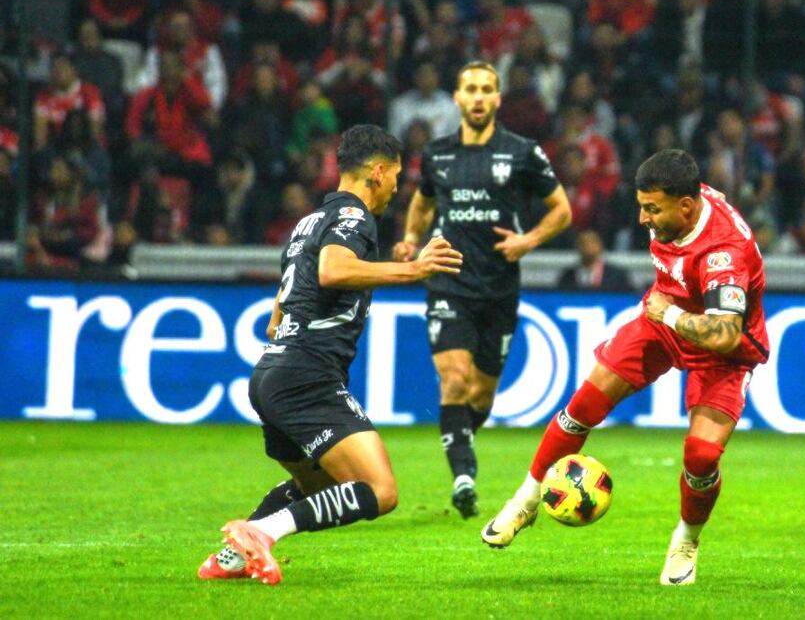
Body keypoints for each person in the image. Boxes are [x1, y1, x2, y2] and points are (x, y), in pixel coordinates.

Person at [481, 149, 769, 587]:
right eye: (641, 206)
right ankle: (525, 500)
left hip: (716, 348)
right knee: (583, 405)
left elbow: (725, 334)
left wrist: (668, 314)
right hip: (662, 322)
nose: (642, 219)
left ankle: (686, 541)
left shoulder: (721, 255)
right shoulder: (693, 195)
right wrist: (667, 316)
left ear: (686, 206)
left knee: (702, 456)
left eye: (652, 209)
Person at [198, 125, 463, 585]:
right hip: (306, 376)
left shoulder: (306, 223)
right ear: (377, 172)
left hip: (271, 372)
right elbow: (333, 270)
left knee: (316, 487)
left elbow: (276, 318)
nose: (399, 187)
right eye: (397, 176)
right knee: (380, 492)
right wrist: (414, 268)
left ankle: (230, 558)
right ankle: (260, 533)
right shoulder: (354, 218)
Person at [392, 61, 572, 519]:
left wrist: (528, 240)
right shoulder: (437, 154)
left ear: (496, 99)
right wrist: (412, 239)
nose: (477, 97)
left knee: (481, 396)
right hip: (448, 281)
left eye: (486, 89)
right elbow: (423, 202)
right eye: (469, 88)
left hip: (498, 288)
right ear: (457, 97)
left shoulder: (522, 152)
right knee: (454, 379)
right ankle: (463, 476)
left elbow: (561, 210)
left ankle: (461, 443)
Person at [557, 229, 632, 292]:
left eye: (592, 244)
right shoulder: (568, 276)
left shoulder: (616, 276)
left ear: (600, 246)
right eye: (584, 244)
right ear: (577, 247)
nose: (588, 247)